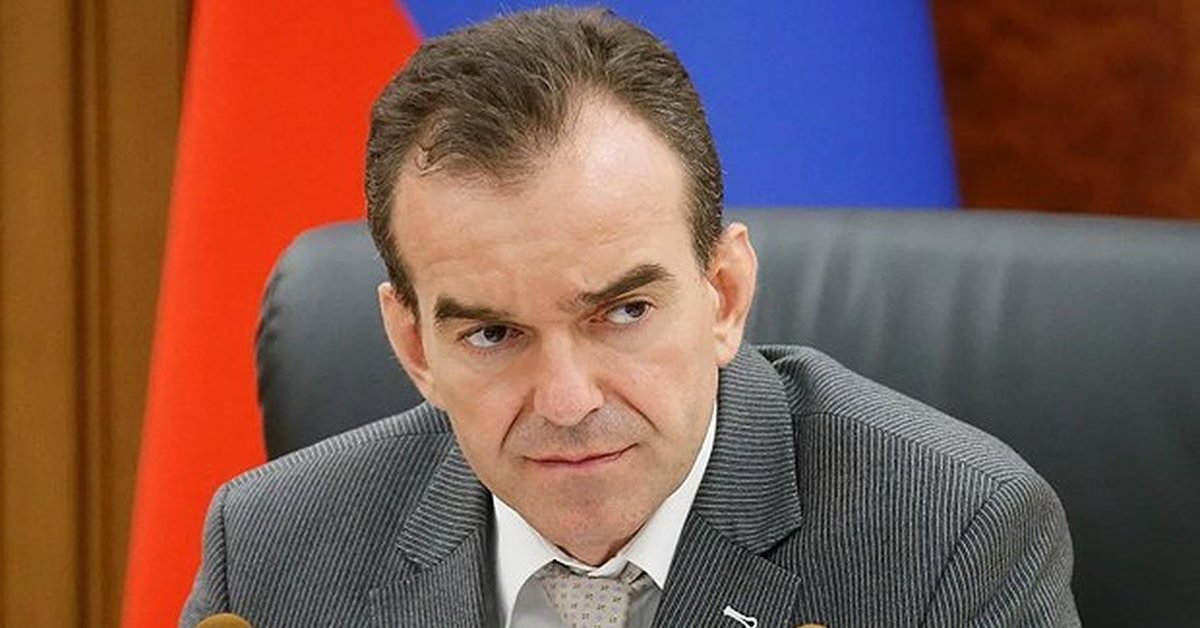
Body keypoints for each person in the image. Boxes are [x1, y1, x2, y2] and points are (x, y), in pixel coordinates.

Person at [181, 7, 1079, 627]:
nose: (568, 401)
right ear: (414, 344)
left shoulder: (949, 540)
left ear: (723, 295)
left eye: (623, 312)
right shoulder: (271, 555)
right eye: (493, 334)